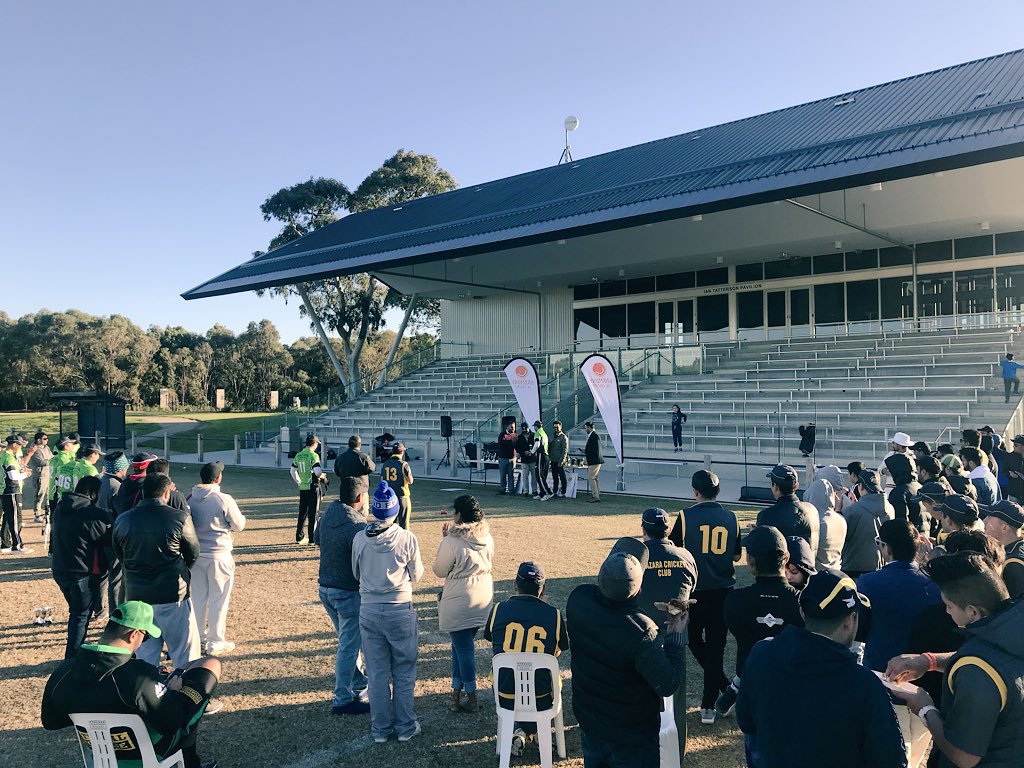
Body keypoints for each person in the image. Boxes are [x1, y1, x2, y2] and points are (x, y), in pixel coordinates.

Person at [737, 568, 906, 768]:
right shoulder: (865, 685)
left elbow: (746, 722)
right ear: (851, 620)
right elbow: (891, 759)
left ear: (802, 612)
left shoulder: (761, 654)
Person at [41, 601, 221, 768]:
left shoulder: (63, 672)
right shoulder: (139, 676)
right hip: (149, 754)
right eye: (146, 636)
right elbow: (173, 722)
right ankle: (191, 762)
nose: (144, 641)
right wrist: (172, 692)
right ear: (133, 635)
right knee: (207, 671)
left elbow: (50, 721)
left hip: (101, 754)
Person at [887, 553, 1024, 768]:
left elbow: (964, 756)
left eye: (949, 605)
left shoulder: (977, 670)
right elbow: (996, 658)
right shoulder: (1012, 629)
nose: (947, 611)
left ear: (972, 611)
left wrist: (924, 707)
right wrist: (929, 661)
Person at [566, 537, 689, 766]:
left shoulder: (578, 599)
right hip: (632, 736)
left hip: (591, 720)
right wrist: (675, 634)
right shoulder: (642, 632)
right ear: (640, 589)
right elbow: (668, 683)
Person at [352, 481, 424, 743]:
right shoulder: (406, 538)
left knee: (377, 672)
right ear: (395, 511)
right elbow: (417, 574)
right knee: (404, 670)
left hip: (369, 609)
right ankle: (405, 726)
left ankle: (380, 728)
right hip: (399, 608)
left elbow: (355, 572)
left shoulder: (360, 538)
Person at [668, 469, 741, 725]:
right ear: (718, 491)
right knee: (716, 647)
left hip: (695, 591)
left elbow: (674, 551)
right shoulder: (731, 517)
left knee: (694, 640)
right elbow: (735, 556)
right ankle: (715, 695)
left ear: (695, 491)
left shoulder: (686, 516)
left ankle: (712, 700)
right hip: (722, 590)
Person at [112, 473, 202, 669]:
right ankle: (185, 694)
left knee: (145, 654)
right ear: (167, 492)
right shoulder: (179, 517)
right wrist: (181, 571)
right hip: (173, 593)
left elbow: (120, 554)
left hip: (138, 594)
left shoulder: (123, 520)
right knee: (184, 652)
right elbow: (193, 552)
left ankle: (148, 692)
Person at [716, 526, 803, 724]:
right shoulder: (802, 602)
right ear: (787, 558)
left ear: (751, 561)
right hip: (791, 686)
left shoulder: (735, 600)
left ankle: (734, 689)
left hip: (752, 684)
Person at [484, 561, 569, 759]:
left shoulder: (498, 610)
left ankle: (522, 732)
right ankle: (535, 732)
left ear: (515, 585)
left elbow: (490, 637)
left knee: (518, 684)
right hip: (541, 698)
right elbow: (561, 649)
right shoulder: (553, 615)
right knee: (546, 679)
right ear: (543, 589)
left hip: (505, 694)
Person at [639, 507, 697, 758]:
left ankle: (646, 750)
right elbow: (692, 586)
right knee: (677, 698)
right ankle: (676, 753)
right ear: (669, 530)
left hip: (643, 636)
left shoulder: (636, 557)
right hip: (675, 632)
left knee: (641, 695)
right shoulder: (685, 555)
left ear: (643, 530)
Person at [432, 494, 494, 714]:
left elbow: (440, 570)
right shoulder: (487, 537)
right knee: (460, 646)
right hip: (483, 596)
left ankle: (471, 694)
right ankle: (456, 693)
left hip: (459, 598)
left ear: (459, 515)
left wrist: (444, 540)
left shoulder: (452, 541)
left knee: (463, 648)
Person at [315, 476, 369, 715]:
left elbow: (317, 539)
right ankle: (342, 698)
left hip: (325, 588)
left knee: (348, 643)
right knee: (348, 646)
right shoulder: (357, 526)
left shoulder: (328, 515)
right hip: (347, 591)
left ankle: (359, 683)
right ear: (359, 498)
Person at [189, 461, 246, 656]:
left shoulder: (190, 498)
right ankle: (215, 641)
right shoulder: (223, 499)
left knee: (198, 598)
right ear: (218, 478)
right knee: (218, 600)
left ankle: (198, 638)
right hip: (219, 554)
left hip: (196, 555)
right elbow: (239, 524)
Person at [50, 475, 108, 657]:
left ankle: (74, 652)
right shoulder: (92, 514)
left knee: (76, 613)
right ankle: (72, 656)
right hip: (81, 573)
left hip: (60, 569)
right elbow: (106, 538)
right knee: (80, 616)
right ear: (93, 494)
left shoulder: (60, 508)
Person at [842, 469, 895, 578]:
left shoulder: (852, 511)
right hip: (880, 569)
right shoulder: (890, 509)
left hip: (854, 570)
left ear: (860, 487)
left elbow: (843, 539)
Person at [757, 464, 820, 553]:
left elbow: (762, 550)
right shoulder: (812, 509)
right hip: (809, 564)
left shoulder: (767, 515)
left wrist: (755, 534)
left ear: (775, 487)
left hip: (785, 565)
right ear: (797, 485)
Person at [981, 499, 1024, 599]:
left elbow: (1017, 610)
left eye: (989, 517)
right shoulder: (1015, 547)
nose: (984, 522)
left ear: (1004, 528)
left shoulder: (1013, 564)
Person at [291, 434, 328, 544]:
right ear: (315, 444)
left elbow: (292, 471)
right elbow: (317, 472)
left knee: (302, 513)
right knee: (314, 513)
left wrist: (299, 482)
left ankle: (299, 536)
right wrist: (323, 476)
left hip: (303, 488)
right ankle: (312, 538)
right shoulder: (314, 455)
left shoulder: (299, 455)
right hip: (313, 487)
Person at [0, 435, 30, 554]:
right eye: (19, 445)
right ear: (14, 444)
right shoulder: (9, 458)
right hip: (12, 490)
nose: (20, 447)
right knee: (15, 519)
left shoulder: (2, 455)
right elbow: (13, 476)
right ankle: (17, 545)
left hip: (4, 490)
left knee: (11, 518)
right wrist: (25, 475)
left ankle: (12, 544)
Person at [335, 435, 375, 515]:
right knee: (361, 516)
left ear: (348, 445)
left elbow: (337, 473)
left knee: (346, 515)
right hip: (360, 491)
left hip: (345, 491)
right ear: (359, 445)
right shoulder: (363, 457)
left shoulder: (340, 457)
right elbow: (372, 468)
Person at [887, 453, 926, 533]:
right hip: (927, 537)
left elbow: (901, 524)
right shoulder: (922, 487)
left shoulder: (899, 492)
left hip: (911, 540)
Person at [380, 442, 414, 529]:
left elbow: (382, 480)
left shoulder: (385, 464)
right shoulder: (404, 464)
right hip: (402, 496)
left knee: (390, 524)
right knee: (404, 524)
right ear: (402, 452)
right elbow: (410, 481)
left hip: (389, 497)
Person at [27, 431, 52, 523]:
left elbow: (50, 456)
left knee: (48, 496)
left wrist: (51, 459)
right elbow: (41, 462)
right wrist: (52, 460)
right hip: (40, 476)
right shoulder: (35, 449)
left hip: (48, 474)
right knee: (39, 495)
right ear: (38, 440)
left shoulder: (47, 448)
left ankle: (48, 513)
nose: (47, 440)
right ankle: (37, 514)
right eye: (44, 439)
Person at [994, 434, 1024, 503]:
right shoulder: (1010, 457)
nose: (1013, 446)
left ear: (1023, 447)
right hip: (1013, 492)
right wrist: (1010, 474)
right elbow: (1004, 471)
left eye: (1016, 445)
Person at [531, 420, 553, 500]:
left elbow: (537, 444)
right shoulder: (544, 433)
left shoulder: (538, 433)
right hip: (545, 455)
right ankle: (542, 492)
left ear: (536, 426)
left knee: (540, 476)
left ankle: (548, 492)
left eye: (534, 426)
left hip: (541, 455)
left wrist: (531, 452)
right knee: (541, 475)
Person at [583, 421, 604, 503]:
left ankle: (595, 495)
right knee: (595, 478)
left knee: (591, 477)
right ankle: (597, 493)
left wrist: (586, 451)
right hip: (596, 460)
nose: (585, 430)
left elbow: (594, 449)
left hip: (594, 460)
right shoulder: (594, 436)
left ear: (589, 427)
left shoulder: (594, 436)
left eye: (586, 428)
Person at [496, 421, 518, 496]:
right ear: (507, 427)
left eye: (514, 427)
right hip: (503, 458)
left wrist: (511, 441)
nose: (513, 429)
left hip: (512, 458)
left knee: (511, 475)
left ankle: (511, 491)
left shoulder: (515, 435)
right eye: (511, 427)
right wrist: (511, 441)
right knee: (503, 475)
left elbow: (516, 445)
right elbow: (502, 444)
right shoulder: (502, 435)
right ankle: (503, 490)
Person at [549, 420, 570, 498]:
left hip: (560, 460)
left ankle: (563, 492)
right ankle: (555, 491)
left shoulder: (563, 437)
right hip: (553, 459)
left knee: (562, 477)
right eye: (554, 427)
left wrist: (562, 461)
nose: (556, 429)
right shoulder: (552, 436)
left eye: (557, 427)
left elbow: (565, 450)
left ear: (561, 427)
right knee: (555, 477)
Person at [516, 423, 536, 496]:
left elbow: (537, 446)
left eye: (526, 428)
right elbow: (517, 448)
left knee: (534, 476)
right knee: (525, 476)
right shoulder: (520, 437)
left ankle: (534, 490)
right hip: (524, 459)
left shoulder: (533, 435)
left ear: (528, 427)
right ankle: (526, 491)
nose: (524, 430)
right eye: (523, 428)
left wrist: (532, 452)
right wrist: (524, 452)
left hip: (533, 459)